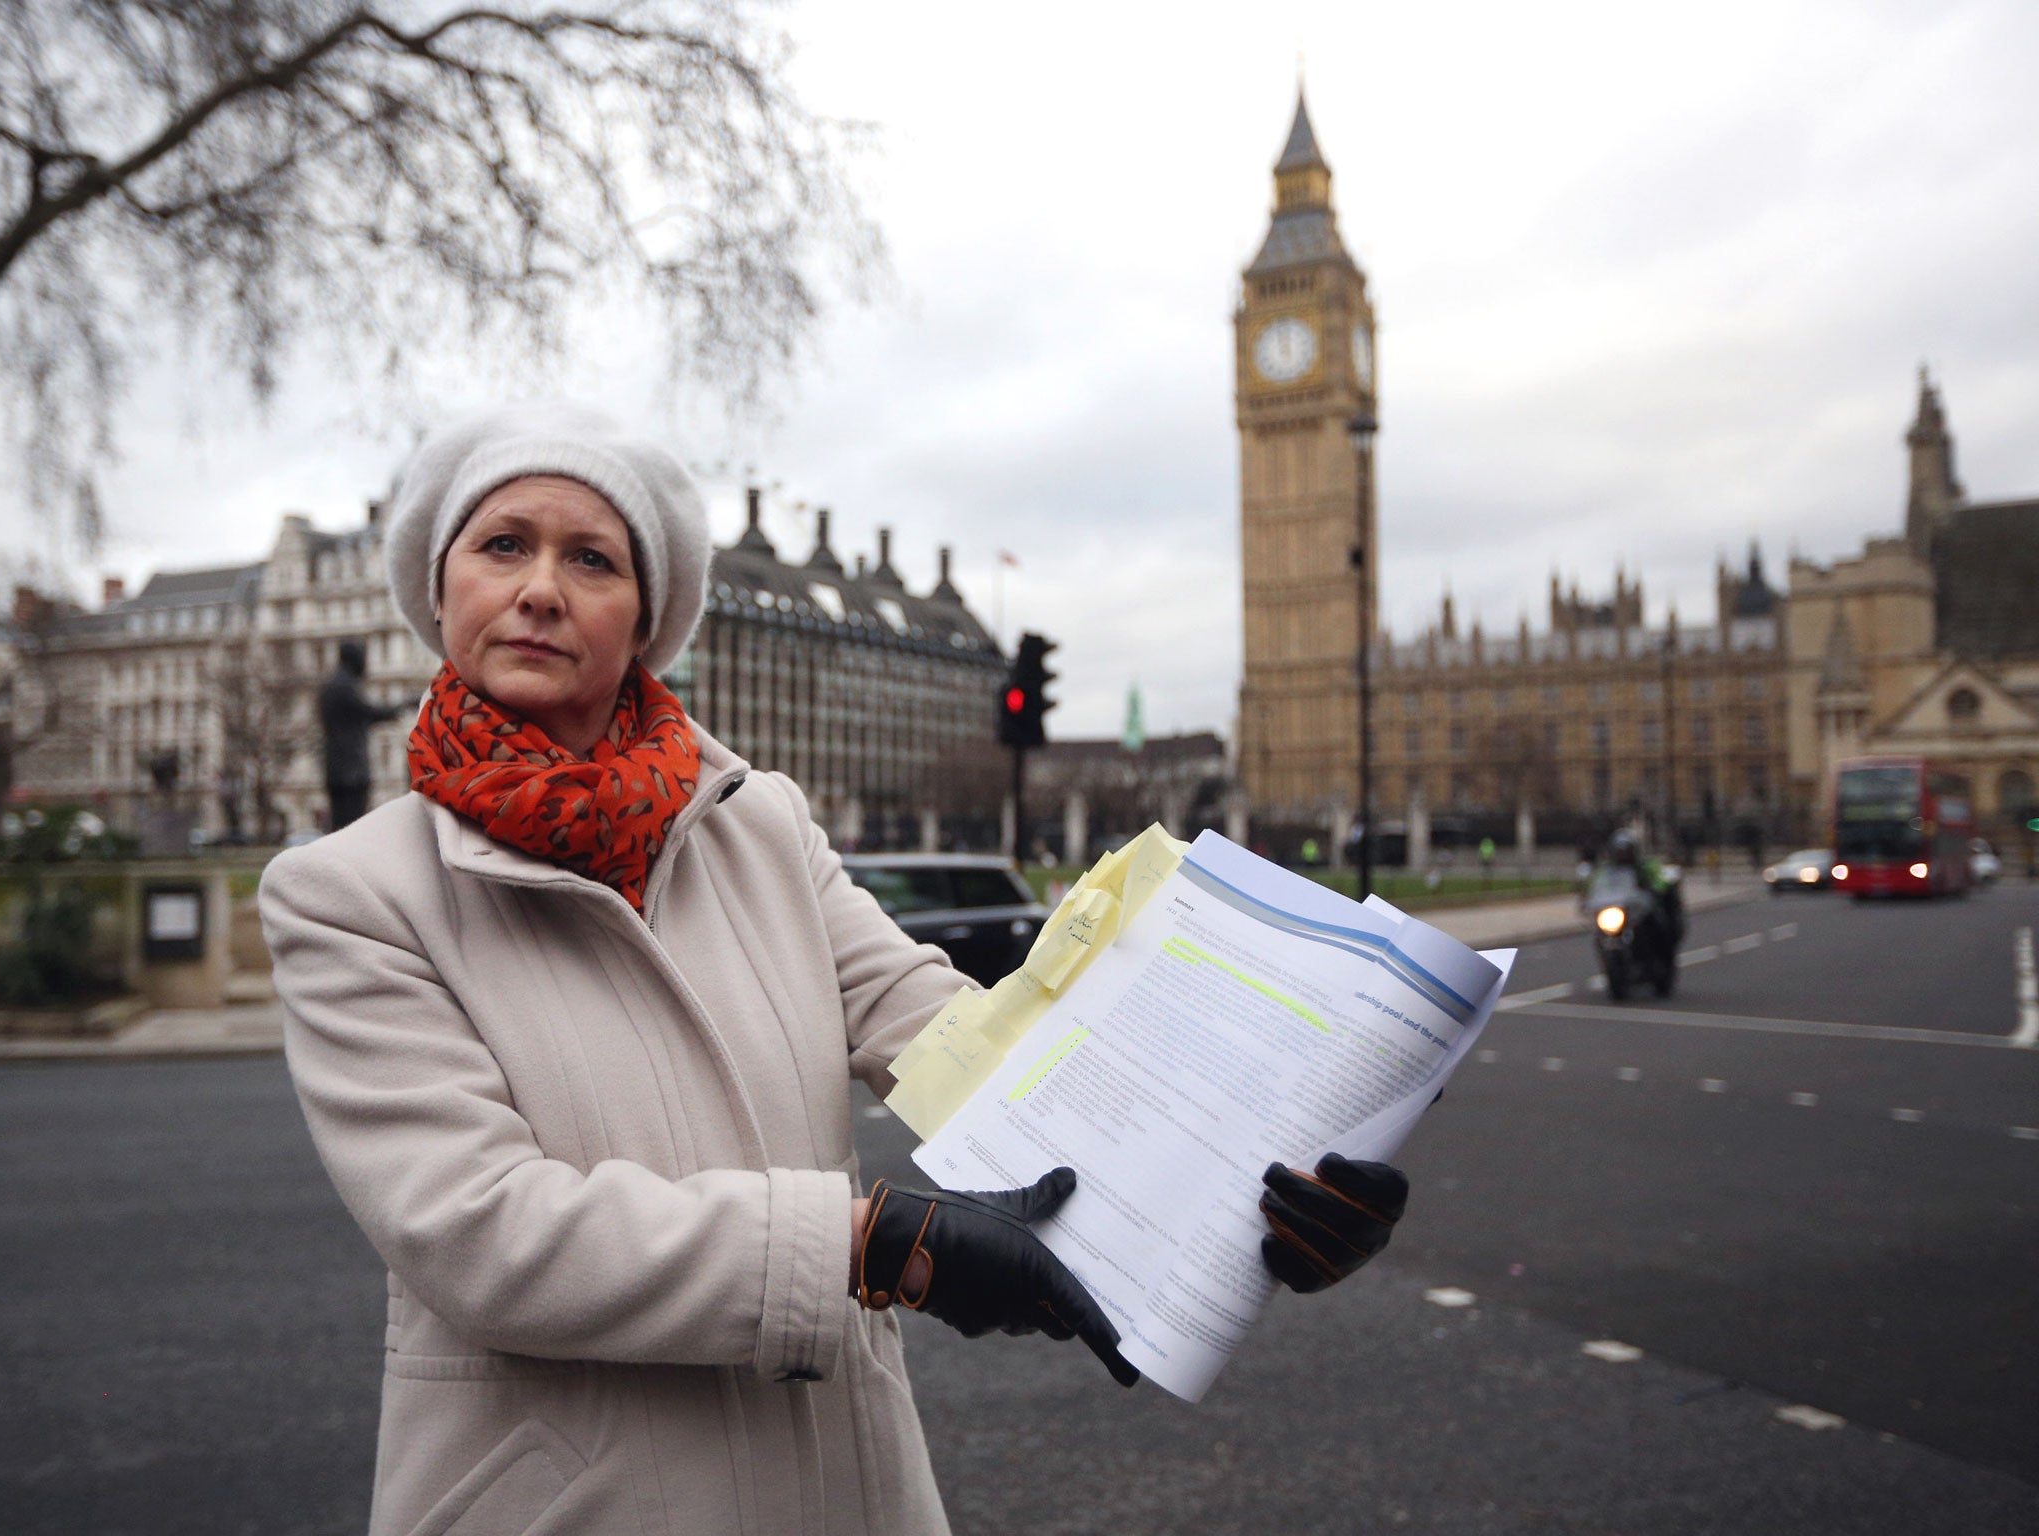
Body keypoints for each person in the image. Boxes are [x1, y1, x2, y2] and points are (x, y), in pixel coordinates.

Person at [261, 403, 1408, 1536]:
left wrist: (1236, 1176)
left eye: (593, 559)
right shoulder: (351, 894)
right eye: (502, 544)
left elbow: (958, 1042)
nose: (542, 587)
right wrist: (869, 1245)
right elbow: (484, 1236)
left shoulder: (761, 827)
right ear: (440, 584)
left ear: (646, 619)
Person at [317, 638, 405, 829]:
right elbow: (370, 712)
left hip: (336, 767)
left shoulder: (332, 685)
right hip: (351, 770)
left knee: (341, 823)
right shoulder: (345, 686)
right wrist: (403, 705)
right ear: (354, 658)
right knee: (351, 824)